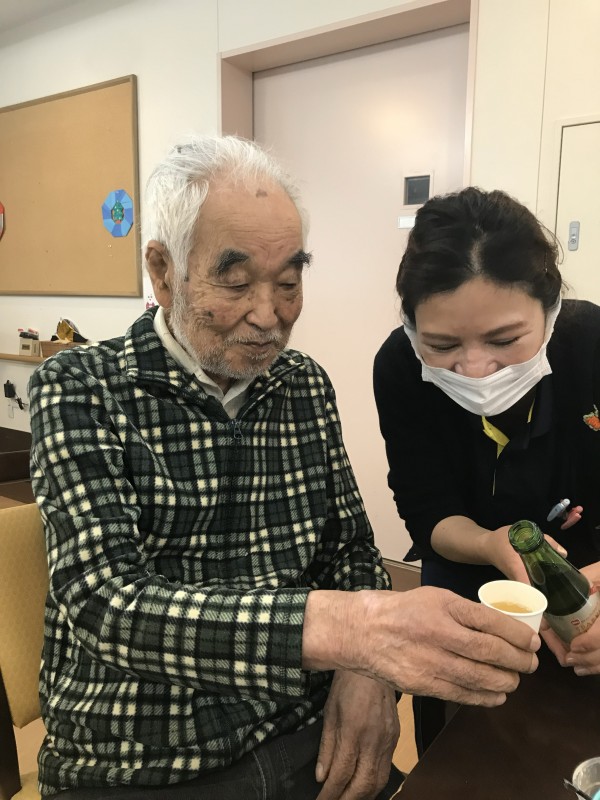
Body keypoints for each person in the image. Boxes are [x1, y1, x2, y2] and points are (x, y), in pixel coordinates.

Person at [29, 141, 540, 800]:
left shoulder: (301, 384)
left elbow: (349, 550)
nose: (269, 316)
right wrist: (352, 633)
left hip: (305, 741)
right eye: (236, 283)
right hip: (144, 762)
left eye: (289, 283)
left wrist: (365, 674)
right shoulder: (81, 386)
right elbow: (106, 603)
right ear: (163, 271)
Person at [373, 186, 600, 754]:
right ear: (411, 328)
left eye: (505, 340)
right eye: (442, 345)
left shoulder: (590, 345)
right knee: (465, 743)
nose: (475, 369)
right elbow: (427, 508)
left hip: (589, 570)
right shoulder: (400, 368)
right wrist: (489, 544)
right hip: (467, 567)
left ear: (550, 311)